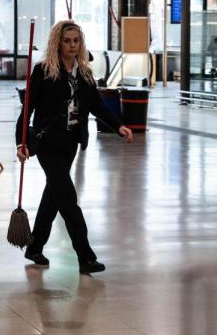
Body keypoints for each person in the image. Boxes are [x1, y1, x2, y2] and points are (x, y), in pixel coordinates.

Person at [16, 20, 134, 275]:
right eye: (67, 41)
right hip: (47, 143)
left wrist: (118, 126)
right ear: (57, 43)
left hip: (71, 142)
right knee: (68, 200)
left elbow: (98, 106)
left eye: (76, 41)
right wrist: (21, 141)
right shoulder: (44, 71)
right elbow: (28, 110)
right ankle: (85, 256)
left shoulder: (84, 73)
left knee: (54, 195)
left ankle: (34, 246)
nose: (72, 45)